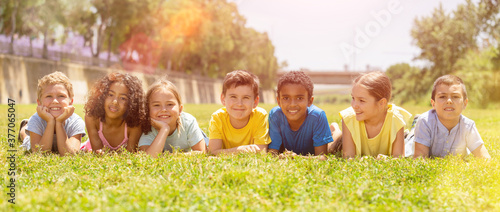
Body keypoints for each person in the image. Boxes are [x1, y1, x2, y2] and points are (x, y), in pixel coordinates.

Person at [413, 75, 491, 158]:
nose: (449, 101)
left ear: (465, 103)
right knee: (412, 135)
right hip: (415, 135)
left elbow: (484, 157)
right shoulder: (425, 122)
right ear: (433, 104)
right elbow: (420, 158)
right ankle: (413, 128)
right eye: (442, 97)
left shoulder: (468, 126)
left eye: (455, 96)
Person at [268, 71, 342, 157]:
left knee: (332, 148)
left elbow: (322, 157)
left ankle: (335, 131)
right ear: (278, 101)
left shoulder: (317, 116)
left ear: (310, 101)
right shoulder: (275, 115)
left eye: (299, 98)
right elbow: (272, 153)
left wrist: (297, 157)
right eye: (286, 98)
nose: (292, 104)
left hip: (314, 148)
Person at [340, 71, 411, 159]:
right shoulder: (349, 118)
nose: (354, 105)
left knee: (411, 145)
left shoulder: (395, 119)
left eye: (361, 100)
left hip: (404, 136)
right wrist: (363, 160)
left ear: (382, 103)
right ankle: (335, 129)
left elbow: (399, 157)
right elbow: (348, 157)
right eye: (353, 98)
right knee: (334, 144)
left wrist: (387, 160)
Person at [20, 71, 86, 156]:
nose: (55, 101)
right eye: (49, 96)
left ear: (70, 102)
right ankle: (24, 126)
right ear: (39, 102)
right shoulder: (36, 119)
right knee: (26, 139)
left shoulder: (76, 122)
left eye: (61, 96)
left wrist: (59, 123)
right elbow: (39, 153)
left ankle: (26, 125)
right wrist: (50, 122)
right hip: (38, 139)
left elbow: (70, 154)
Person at [139, 79, 207, 157]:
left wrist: (170, 156)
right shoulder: (147, 128)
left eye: (170, 104)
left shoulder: (188, 122)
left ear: (180, 109)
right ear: (147, 110)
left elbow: (202, 152)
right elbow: (149, 157)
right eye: (156, 105)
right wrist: (164, 129)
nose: (163, 110)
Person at [208, 70, 270, 155]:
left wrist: (228, 152)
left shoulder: (260, 116)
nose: (239, 104)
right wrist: (239, 150)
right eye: (233, 97)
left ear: (255, 102)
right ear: (223, 99)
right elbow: (213, 152)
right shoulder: (218, 118)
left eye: (246, 98)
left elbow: (261, 151)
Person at [81, 72, 145, 153]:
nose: (115, 102)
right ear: (102, 95)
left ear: (132, 102)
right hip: (88, 148)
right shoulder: (92, 118)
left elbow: (130, 155)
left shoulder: (134, 125)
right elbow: (98, 153)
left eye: (122, 98)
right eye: (110, 95)